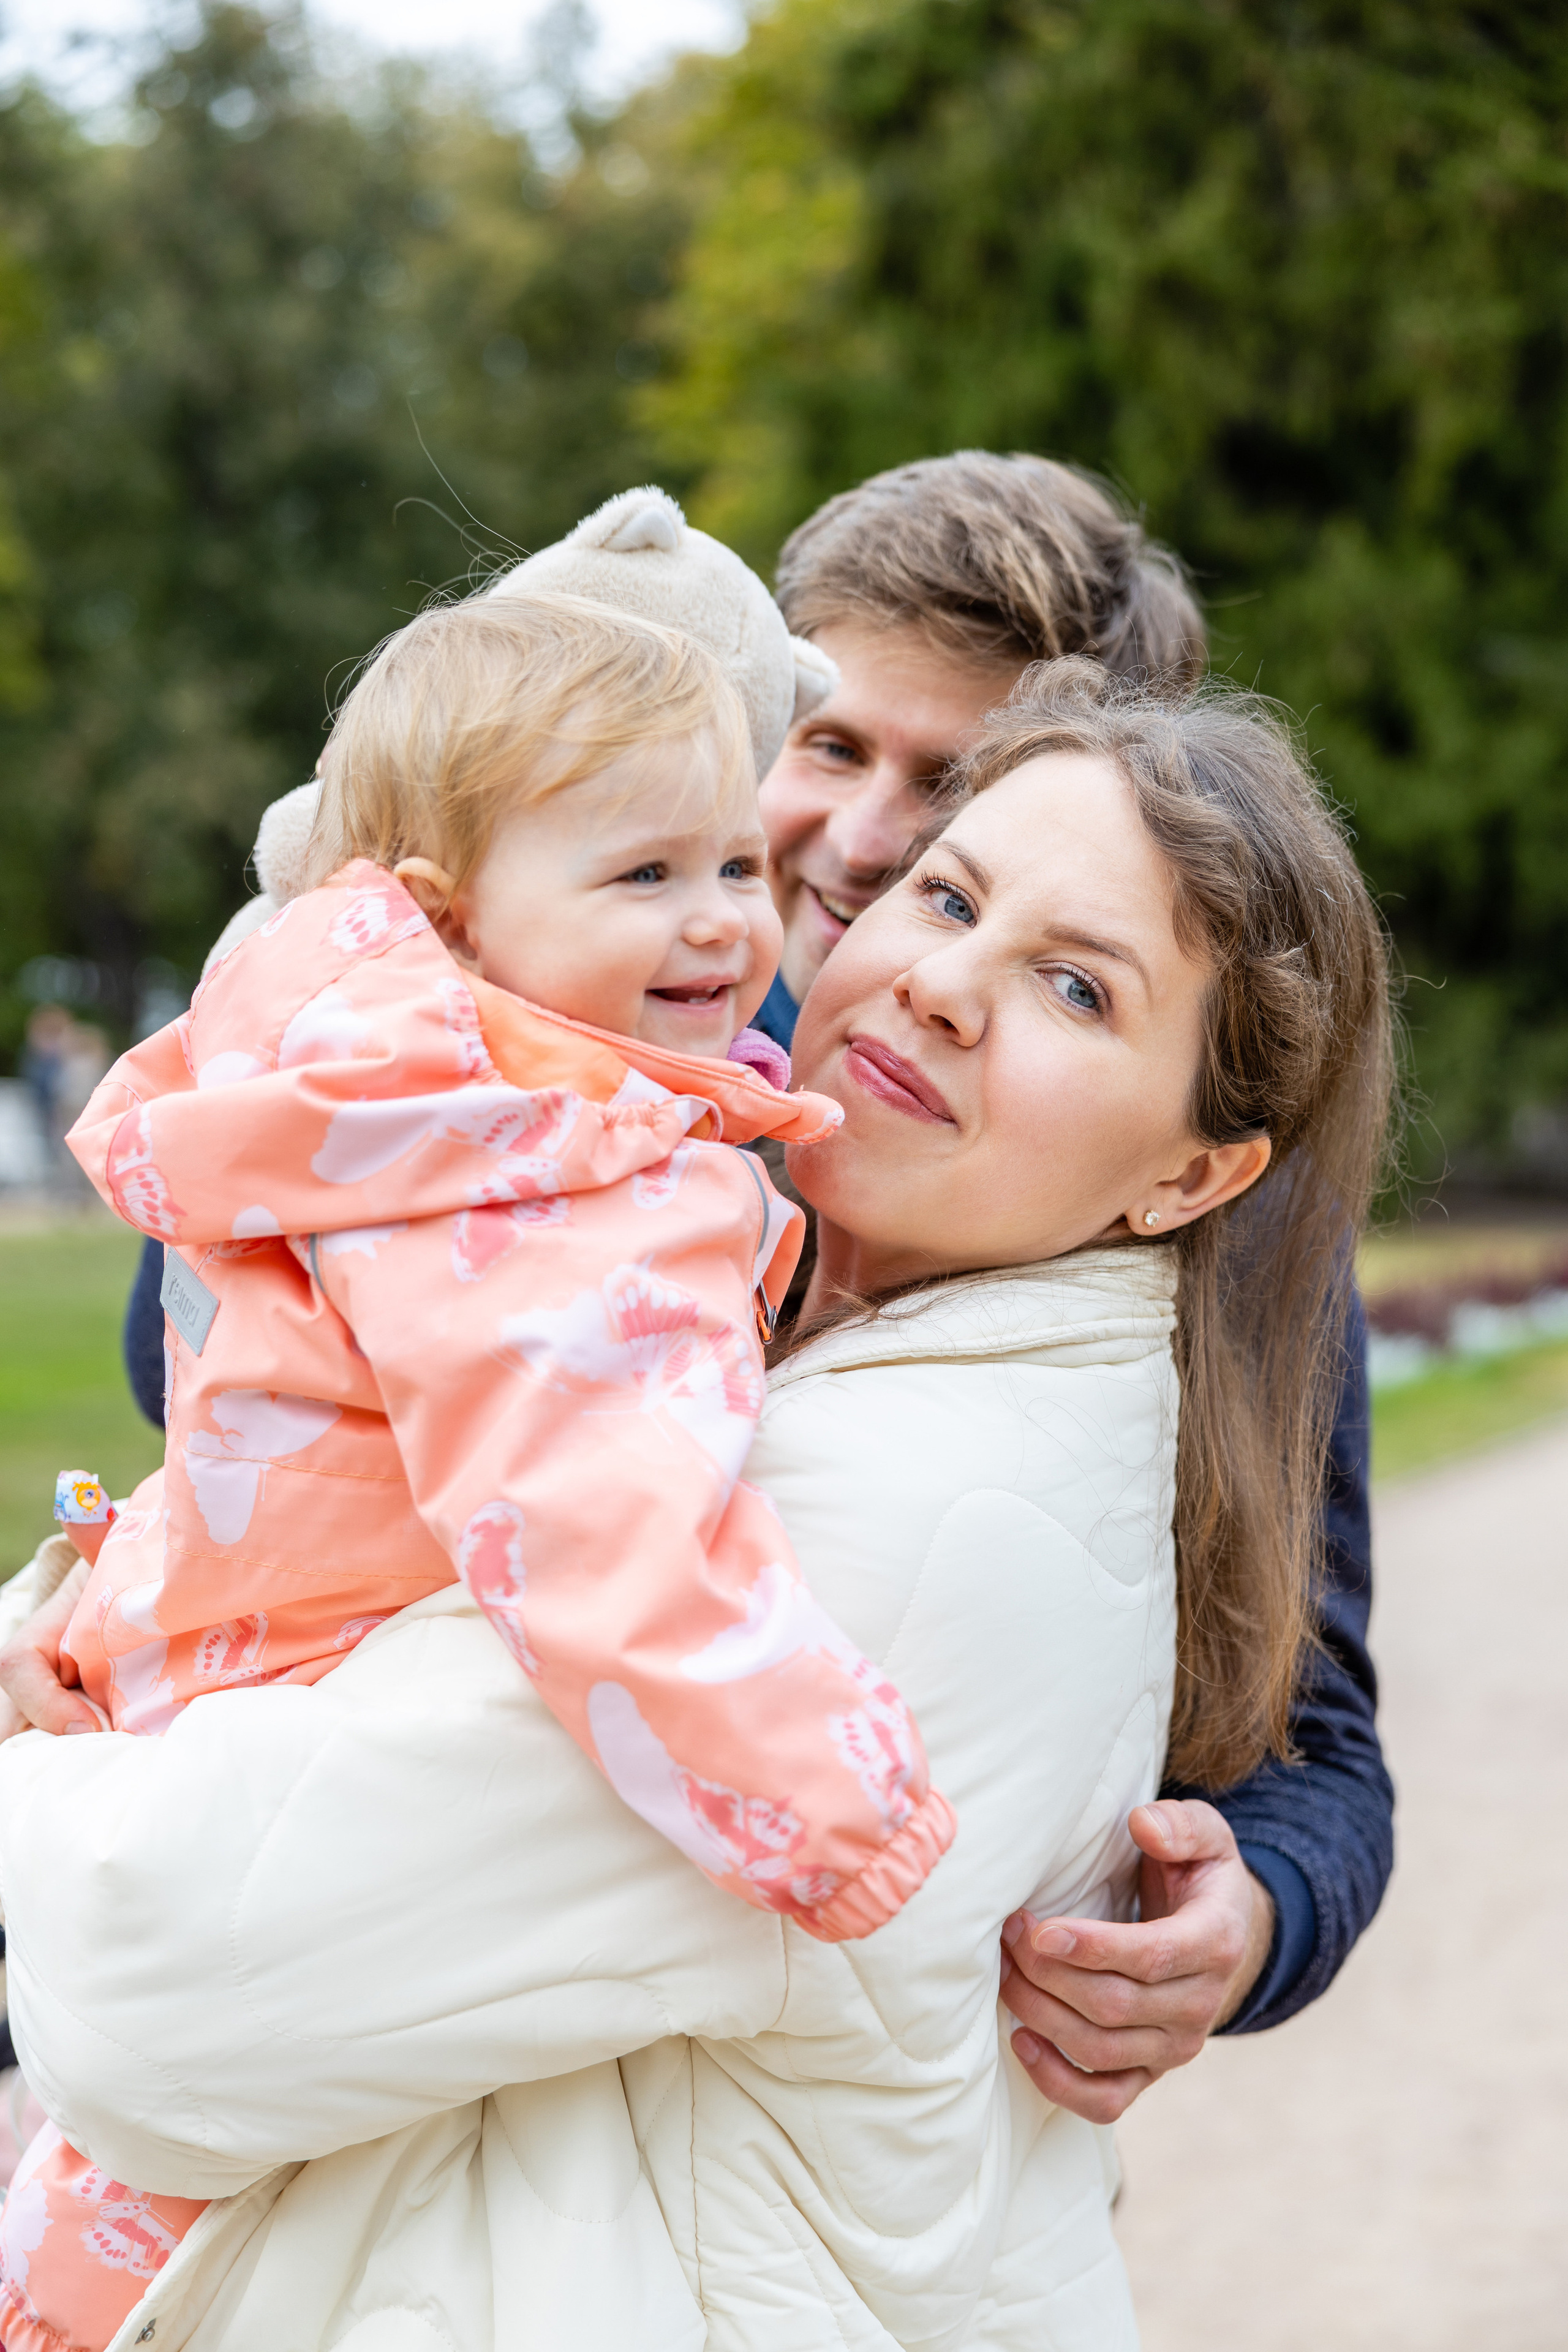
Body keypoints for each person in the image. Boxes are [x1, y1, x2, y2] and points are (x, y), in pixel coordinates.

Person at [0, 659, 1394, 2348]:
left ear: (1194, 1175)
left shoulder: (895, 1523)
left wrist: (52, 1733)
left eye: (1078, 991)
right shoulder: (779, 1304)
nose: (945, 983)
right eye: (945, 895)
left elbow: (153, 1996)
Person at [0, 587, 955, 2352]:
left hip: (211, 1639)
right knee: (166, 2210)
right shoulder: (540, 1183)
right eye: (642, 879)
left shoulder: (372, 1087)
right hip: (318, 1687)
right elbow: (601, 1523)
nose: (723, 925)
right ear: (455, 917)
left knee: (106, 2182)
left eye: (734, 866)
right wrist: (846, 1817)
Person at [752, 452, 1393, 2094]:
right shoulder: (603, 1019)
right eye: (828, 743)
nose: (864, 841)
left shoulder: (1229, 1241)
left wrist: (1250, 1911)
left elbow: (1317, 1733)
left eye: (948, 786)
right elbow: (200, 1360)